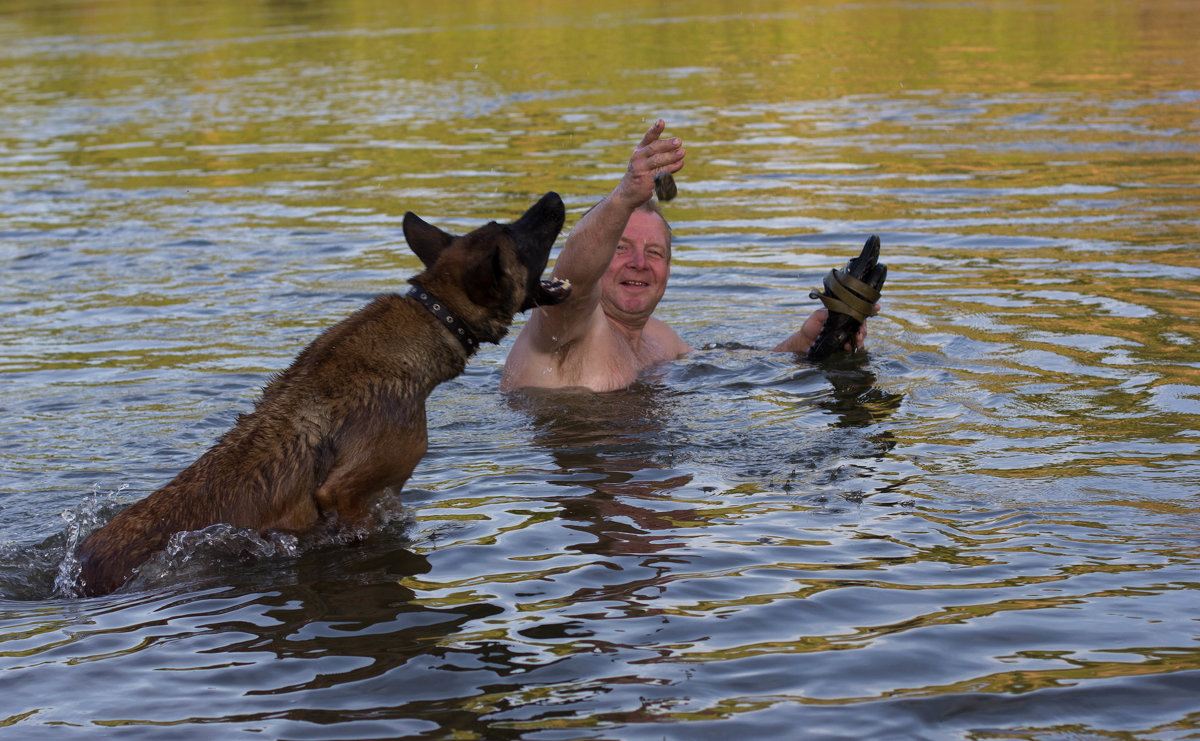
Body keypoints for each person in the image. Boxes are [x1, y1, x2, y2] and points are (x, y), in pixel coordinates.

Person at [500, 119, 868, 393]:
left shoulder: (659, 340)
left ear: (669, 270)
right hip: (585, 478)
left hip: (646, 478)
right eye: (621, 248)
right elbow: (574, 279)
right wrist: (625, 195)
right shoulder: (569, 322)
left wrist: (803, 343)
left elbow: (739, 372)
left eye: (655, 253)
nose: (640, 264)